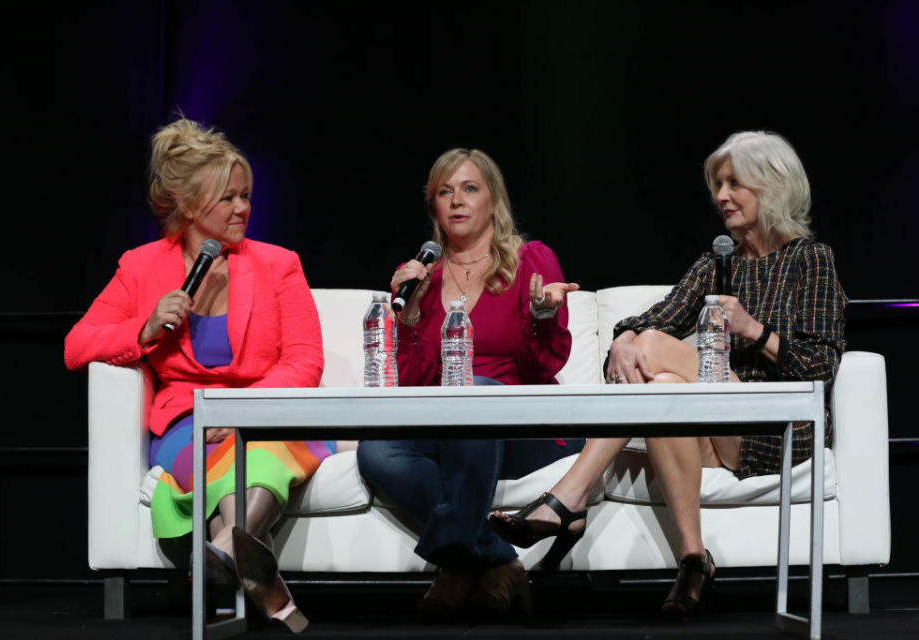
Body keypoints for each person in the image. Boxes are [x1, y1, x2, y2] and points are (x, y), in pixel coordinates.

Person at [490, 131, 846, 618]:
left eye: (734, 183)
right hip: (720, 425)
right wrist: (621, 338)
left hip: (778, 425)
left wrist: (752, 330)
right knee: (662, 387)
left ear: (774, 187)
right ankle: (694, 559)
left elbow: (821, 369)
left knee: (656, 349)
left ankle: (567, 502)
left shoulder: (812, 260)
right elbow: (653, 318)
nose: (721, 196)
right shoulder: (715, 264)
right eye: (717, 184)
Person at [64, 117, 327, 633]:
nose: (243, 209)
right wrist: (141, 331)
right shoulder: (141, 268)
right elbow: (77, 345)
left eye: (246, 196)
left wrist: (242, 412)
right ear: (186, 206)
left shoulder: (278, 266)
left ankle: (227, 550)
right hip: (187, 422)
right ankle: (258, 577)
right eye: (228, 199)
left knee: (263, 453)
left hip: (268, 418)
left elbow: (304, 361)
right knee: (239, 462)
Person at [356, 148, 583, 617]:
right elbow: (413, 385)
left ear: (492, 200)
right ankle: (496, 560)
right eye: (445, 191)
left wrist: (544, 315)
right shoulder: (424, 276)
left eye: (470, 188)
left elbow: (545, 366)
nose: (457, 201)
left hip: (527, 425)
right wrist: (413, 312)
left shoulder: (529, 260)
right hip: (449, 424)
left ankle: (455, 570)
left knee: (476, 392)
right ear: (434, 206)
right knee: (375, 449)